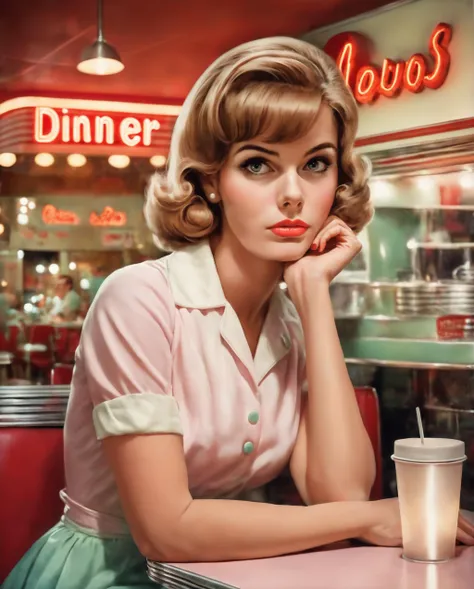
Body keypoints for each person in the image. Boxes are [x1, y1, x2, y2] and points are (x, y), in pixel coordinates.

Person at [5, 37, 473, 589]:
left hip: (228, 576)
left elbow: (339, 492)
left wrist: (313, 295)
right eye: (258, 165)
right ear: (210, 180)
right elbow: (166, 529)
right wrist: (370, 516)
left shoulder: (292, 320)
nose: (294, 194)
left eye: (316, 164)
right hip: (110, 576)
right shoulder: (138, 298)